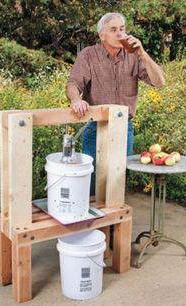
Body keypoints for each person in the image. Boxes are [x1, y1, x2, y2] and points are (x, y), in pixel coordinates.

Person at [65, 12, 165, 195]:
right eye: (113, 30)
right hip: (95, 127)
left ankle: (112, 223)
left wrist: (142, 53)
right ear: (102, 35)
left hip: (123, 127)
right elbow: (73, 83)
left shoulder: (134, 56)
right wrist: (76, 100)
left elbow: (159, 82)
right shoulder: (88, 55)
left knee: (117, 181)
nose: (120, 34)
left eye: (122, 29)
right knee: (94, 181)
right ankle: (94, 221)